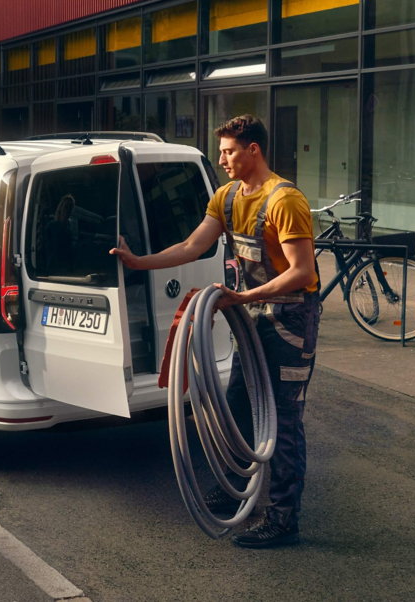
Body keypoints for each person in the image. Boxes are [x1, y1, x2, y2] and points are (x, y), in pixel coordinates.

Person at [111, 115, 319, 549]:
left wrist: (244, 298)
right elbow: (191, 246)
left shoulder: (285, 201)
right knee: (239, 405)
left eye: (228, 151)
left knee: (282, 420)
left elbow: (302, 273)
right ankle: (234, 494)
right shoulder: (226, 198)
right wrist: (138, 263)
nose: (222, 159)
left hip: (291, 320)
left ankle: (284, 518)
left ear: (253, 150)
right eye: (221, 151)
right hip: (252, 318)